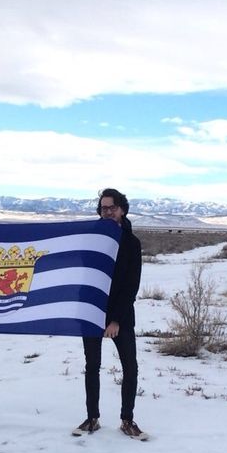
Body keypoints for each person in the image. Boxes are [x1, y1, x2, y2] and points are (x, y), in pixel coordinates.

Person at [74, 188, 146, 439]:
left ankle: (127, 419)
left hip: (121, 315)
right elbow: (83, 276)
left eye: (111, 208)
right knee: (92, 365)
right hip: (92, 312)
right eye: (103, 208)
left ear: (122, 209)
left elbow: (130, 285)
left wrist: (115, 319)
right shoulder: (90, 239)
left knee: (130, 367)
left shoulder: (131, 243)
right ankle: (91, 417)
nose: (107, 212)